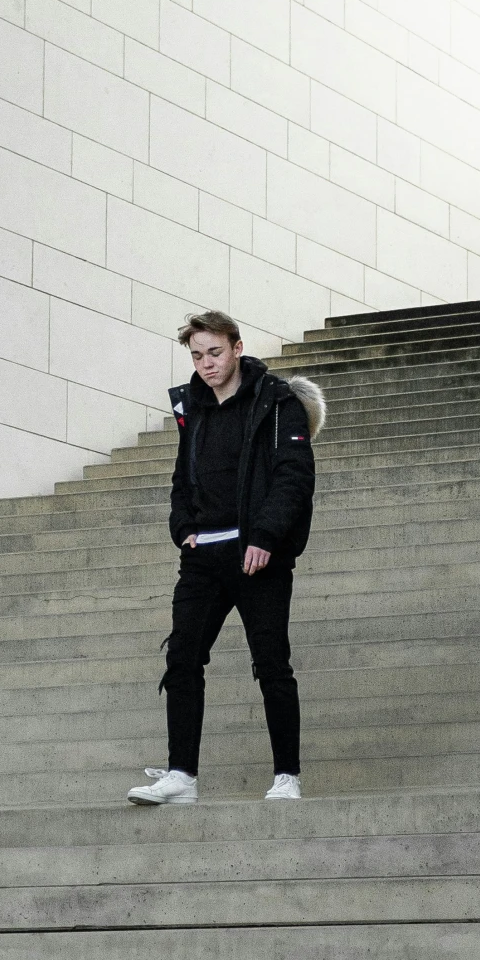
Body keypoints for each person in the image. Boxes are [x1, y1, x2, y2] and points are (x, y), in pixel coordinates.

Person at [128, 311, 325, 805]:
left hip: (257, 554)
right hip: (203, 557)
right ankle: (181, 777)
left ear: (237, 348)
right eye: (197, 355)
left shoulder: (277, 401)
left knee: (271, 664)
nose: (206, 364)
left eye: (214, 353)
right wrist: (184, 530)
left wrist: (264, 537)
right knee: (182, 660)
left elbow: (294, 477)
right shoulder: (191, 408)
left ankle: (287, 776)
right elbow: (181, 479)